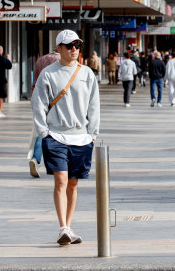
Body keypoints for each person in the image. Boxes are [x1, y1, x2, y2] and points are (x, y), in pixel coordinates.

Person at [31, 30, 100, 245]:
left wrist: (92, 135)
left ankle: (69, 227)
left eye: (77, 45)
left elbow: (94, 105)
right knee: (60, 180)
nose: (74, 49)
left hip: (81, 137)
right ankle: (62, 227)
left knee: (73, 184)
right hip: (56, 136)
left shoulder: (87, 73)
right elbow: (38, 103)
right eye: (69, 45)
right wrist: (44, 133)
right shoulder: (48, 73)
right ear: (58, 48)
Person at [28, 49, 61, 178]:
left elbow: (34, 84)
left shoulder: (40, 60)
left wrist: (35, 101)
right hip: (57, 101)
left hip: (40, 100)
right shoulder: (61, 61)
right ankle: (56, 163)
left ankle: (36, 159)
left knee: (42, 131)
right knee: (59, 132)